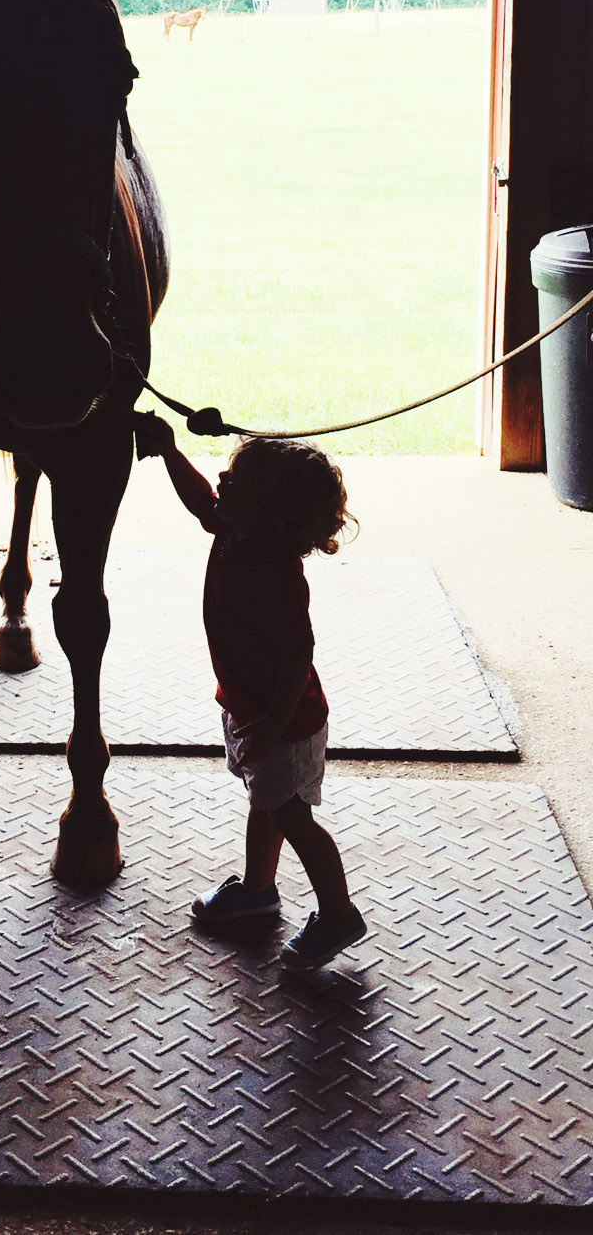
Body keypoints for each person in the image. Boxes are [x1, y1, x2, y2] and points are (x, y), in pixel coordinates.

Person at [134, 412, 366, 969]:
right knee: (268, 805)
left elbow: (296, 659)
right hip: (254, 710)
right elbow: (200, 503)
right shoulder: (239, 531)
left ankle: (338, 914)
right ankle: (259, 891)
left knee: (292, 818)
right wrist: (167, 451)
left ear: (270, 513)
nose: (220, 481)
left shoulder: (278, 575)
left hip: (282, 721)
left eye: (234, 482)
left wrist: (271, 726)